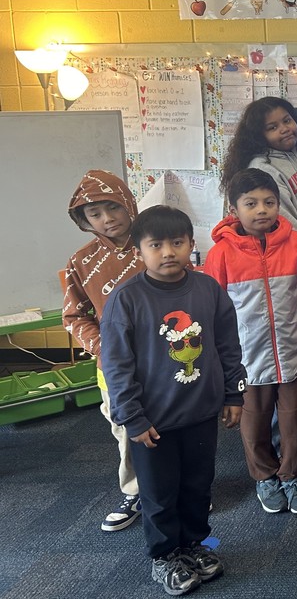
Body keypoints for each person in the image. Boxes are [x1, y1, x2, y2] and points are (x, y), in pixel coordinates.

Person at [100, 206, 246, 596]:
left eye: (177, 243)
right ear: (140, 250)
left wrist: (234, 393)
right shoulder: (126, 299)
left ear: (190, 245)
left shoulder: (207, 289)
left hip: (200, 413)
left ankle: (194, 545)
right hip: (153, 422)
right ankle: (165, 555)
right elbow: (116, 366)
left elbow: (228, 345)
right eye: (156, 245)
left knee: (199, 486)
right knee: (159, 494)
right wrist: (131, 417)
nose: (168, 252)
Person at [220, 97, 297, 459]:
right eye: (272, 127)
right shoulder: (266, 168)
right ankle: (287, 444)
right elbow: (293, 233)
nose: (284, 129)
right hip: (295, 275)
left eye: (286, 121)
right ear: (259, 135)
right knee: (284, 363)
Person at [205, 169, 297, 515]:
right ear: (234, 209)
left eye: (269, 202)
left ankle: (291, 474)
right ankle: (265, 476)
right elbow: (215, 308)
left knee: (294, 422)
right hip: (247, 357)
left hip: (291, 350)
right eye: (251, 203)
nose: (261, 210)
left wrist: (295, 329)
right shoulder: (221, 254)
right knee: (253, 422)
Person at [63, 170, 146, 533]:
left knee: (174, 425)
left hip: (166, 360)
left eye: (112, 207)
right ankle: (135, 492)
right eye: (94, 213)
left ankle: (184, 489)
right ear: (84, 219)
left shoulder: (156, 241)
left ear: (127, 203)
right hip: (114, 367)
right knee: (127, 431)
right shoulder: (81, 262)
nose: (107, 219)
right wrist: (105, 347)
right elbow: (74, 316)